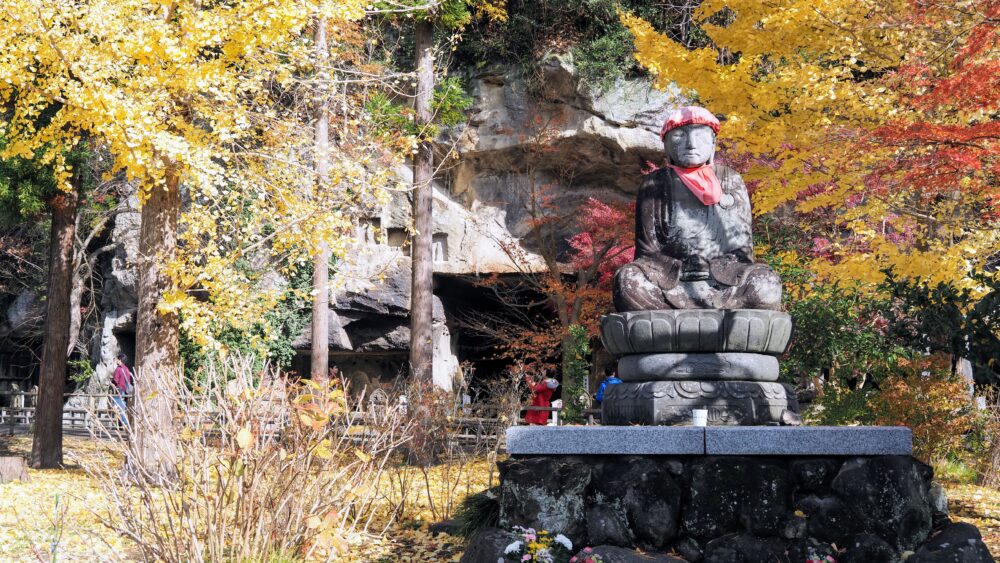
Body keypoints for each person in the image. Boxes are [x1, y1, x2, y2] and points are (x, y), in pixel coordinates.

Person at [612, 106, 782, 312]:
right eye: (679, 137)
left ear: (713, 144)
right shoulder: (655, 183)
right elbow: (647, 251)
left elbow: (743, 250)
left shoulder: (730, 179)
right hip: (672, 282)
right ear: (666, 145)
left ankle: (706, 319)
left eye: (700, 137)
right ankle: (712, 320)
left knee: (766, 284)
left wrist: (714, 265)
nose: (691, 144)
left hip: (723, 282)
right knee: (628, 281)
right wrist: (682, 266)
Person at [111, 352, 132, 429]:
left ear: (119, 359)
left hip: (119, 390)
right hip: (125, 391)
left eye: (116, 359)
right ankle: (121, 425)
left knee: (117, 408)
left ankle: (126, 424)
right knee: (122, 408)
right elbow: (129, 380)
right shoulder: (126, 369)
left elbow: (116, 381)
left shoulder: (118, 369)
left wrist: (111, 382)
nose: (116, 360)